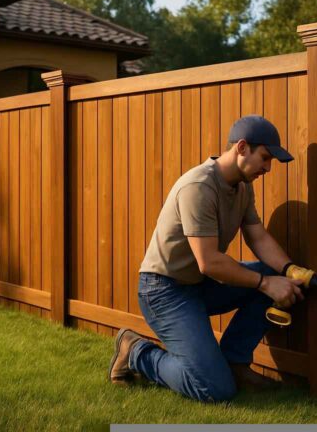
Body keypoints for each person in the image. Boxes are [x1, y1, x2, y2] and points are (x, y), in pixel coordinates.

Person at [108, 114, 306, 403]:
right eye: (265, 158)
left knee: (273, 275)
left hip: (199, 285)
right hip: (163, 291)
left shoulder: (242, 186)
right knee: (213, 389)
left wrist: (290, 271)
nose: (267, 168)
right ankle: (136, 351)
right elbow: (209, 262)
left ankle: (235, 365)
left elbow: (258, 237)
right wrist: (265, 283)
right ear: (241, 148)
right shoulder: (198, 186)